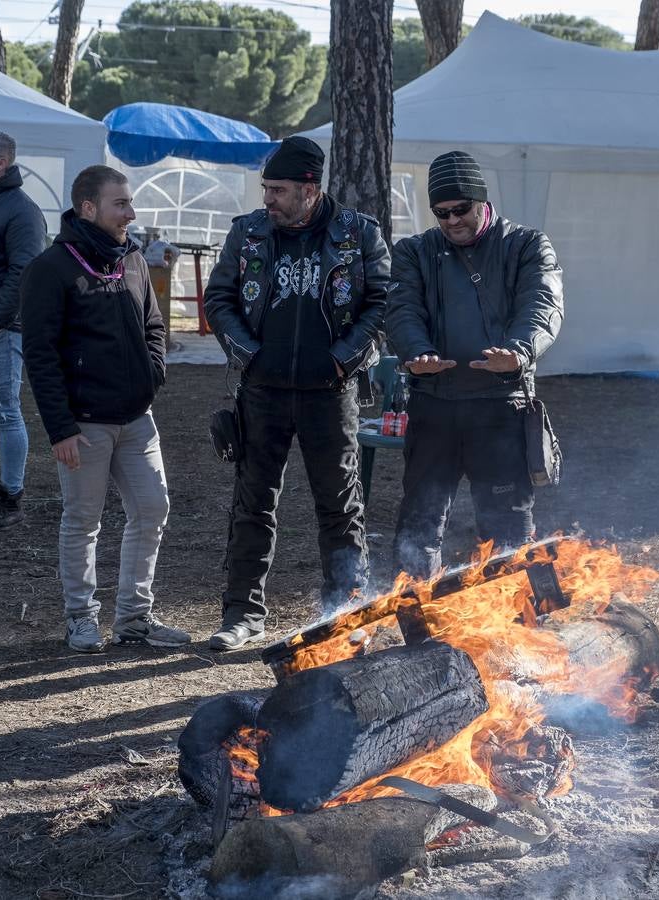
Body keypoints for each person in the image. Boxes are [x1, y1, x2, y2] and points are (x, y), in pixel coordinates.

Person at [204, 136, 390, 651]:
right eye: (266, 188)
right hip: (261, 391)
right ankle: (242, 614)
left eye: (279, 190)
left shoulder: (358, 234)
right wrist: (249, 352)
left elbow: (383, 303)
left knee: (339, 505)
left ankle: (345, 612)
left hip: (330, 393)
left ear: (310, 189)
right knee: (252, 503)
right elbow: (218, 298)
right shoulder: (247, 233)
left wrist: (341, 359)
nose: (268, 200)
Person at [20, 165, 190, 653]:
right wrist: (61, 429)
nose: (131, 214)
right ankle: (80, 617)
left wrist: (151, 374)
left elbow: (154, 326)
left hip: (137, 419)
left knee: (152, 508)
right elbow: (40, 357)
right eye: (121, 204)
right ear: (88, 208)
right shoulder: (50, 270)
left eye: (130, 204)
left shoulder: (132, 259)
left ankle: (135, 619)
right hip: (83, 425)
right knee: (82, 522)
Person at [386, 150, 564, 579]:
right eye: (441, 213)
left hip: (501, 406)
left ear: (482, 201)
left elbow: (543, 304)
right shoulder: (415, 251)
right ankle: (418, 632)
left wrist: (520, 351)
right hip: (434, 404)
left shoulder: (525, 244)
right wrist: (416, 353)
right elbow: (401, 310)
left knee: (508, 529)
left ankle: (523, 626)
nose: (451, 221)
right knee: (419, 525)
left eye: (460, 209)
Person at [0, 130, 46, 527]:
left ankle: (11, 498)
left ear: (1, 163)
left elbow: (25, 271)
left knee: (6, 413)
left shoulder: (22, 209)